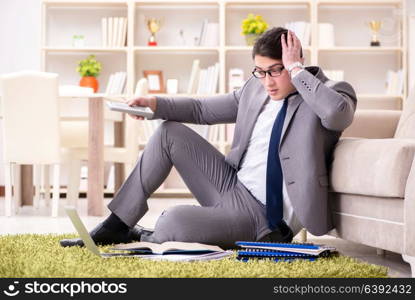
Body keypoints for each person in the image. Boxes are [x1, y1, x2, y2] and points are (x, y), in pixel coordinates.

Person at [60, 27, 357, 249]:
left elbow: (338, 115)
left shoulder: (329, 92)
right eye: (260, 71)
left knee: (172, 221)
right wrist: (154, 104)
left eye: (276, 71)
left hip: (264, 217)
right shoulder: (256, 90)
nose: (267, 81)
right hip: (231, 185)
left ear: (296, 61)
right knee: (168, 132)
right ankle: (117, 224)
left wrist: (295, 71)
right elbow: (203, 109)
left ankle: (152, 234)